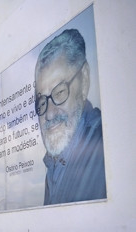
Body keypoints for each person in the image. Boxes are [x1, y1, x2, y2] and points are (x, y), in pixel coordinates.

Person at [34, 28, 106, 205]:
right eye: (42, 101)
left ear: (84, 80)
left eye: (59, 92)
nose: (49, 113)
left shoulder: (106, 148)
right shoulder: (54, 162)